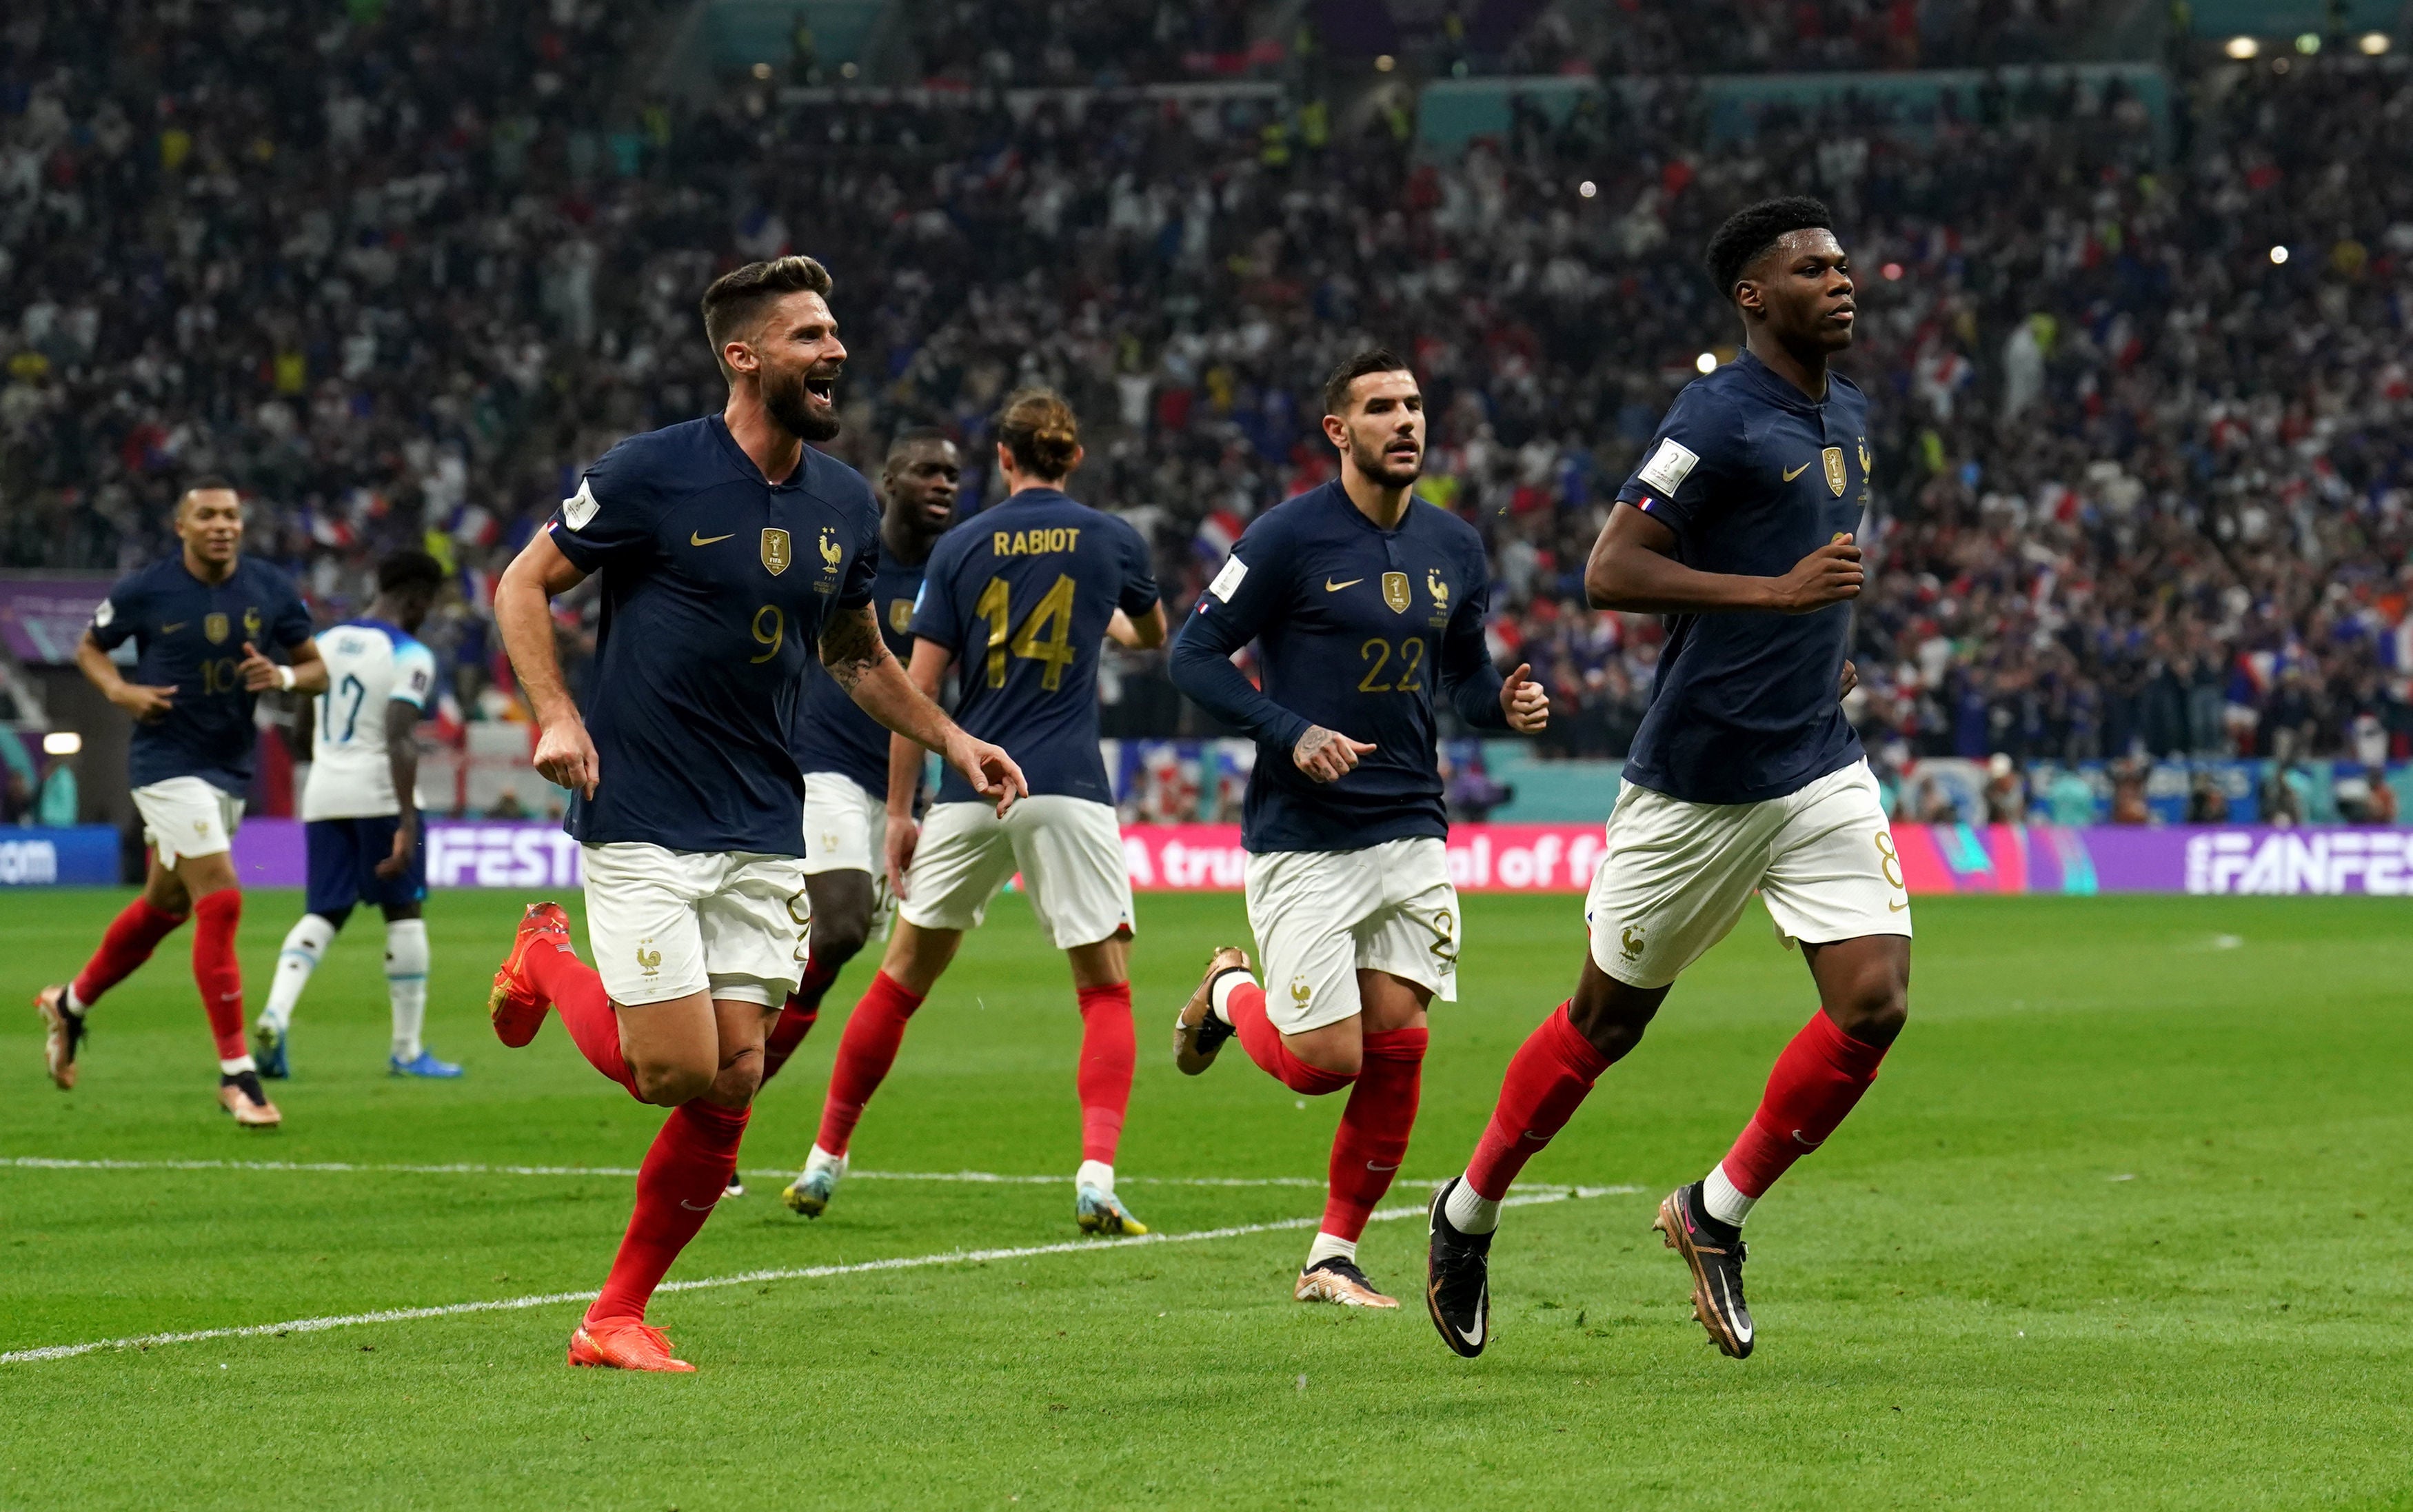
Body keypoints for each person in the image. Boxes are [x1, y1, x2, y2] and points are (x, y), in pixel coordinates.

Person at [480, 255, 1026, 1373]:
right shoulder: (650, 471)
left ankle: (614, 1316)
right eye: (809, 335)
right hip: (641, 806)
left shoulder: (839, 502)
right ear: (744, 355)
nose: (834, 352)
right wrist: (556, 713)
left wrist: (956, 738)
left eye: (835, 332)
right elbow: (520, 583)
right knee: (672, 1069)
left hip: (763, 818)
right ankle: (544, 959)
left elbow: (856, 655)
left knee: (735, 1074)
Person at [1423, 196, 1908, 1362]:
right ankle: (1468, 1207)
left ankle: (1715, 1209)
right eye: (1812, 267)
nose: (1842, 280)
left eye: (1845, 263)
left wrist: (1811, 639)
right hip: (1696, 783)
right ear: (1754, 295)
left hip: (1815, 766)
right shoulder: (1716, 414)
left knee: (1875, 1002)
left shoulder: (1850, 411)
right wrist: (1777, 594)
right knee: (1605, 1020)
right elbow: (1613, 567)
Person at [1167, 348, 1549, 1309]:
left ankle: (1330, 1255)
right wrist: (1288, 732)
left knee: (1399, 1040)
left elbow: (1463, 679)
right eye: (1382, 408)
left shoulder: (1455, 546)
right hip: (1305, 834)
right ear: (1339, 431)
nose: (1406, 422)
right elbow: (1194, 653)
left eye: (1416, 405)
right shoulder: (1289, 537)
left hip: (1412, 822)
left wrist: (1501, 703)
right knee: (1322, 1064)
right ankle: (1228, 995)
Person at [790, 390, 1165, 1233]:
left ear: (1004, 459)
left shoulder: (959, 548)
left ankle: (822, 1163)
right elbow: (1153, 636)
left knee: (899, 981)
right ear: (1072, 457)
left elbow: (916, 692)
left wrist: (898, 812)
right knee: (1103, 989)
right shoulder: (1112, 539)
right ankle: (1096, 1178)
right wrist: (1092, 625)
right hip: (1066, 782)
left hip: (970, 783)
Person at [35, 480, 325, 1127]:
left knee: (165, 908)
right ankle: (238, 1076)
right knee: (220, 896)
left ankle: (71, 1004)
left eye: (230, 515)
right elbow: (89, 648)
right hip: (165, 765)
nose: (221, 525)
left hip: (228, 767)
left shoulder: (271, 589)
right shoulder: (147, 589)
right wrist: (120, 692)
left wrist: (278, 675)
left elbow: (316, 670)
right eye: (207, 516)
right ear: (182, 526)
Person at [744, 427, 960, 1204]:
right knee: (834, 929)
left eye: (953, 475)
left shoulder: (957, 567)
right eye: (927, 472)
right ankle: (726, 1090)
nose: (943, 484)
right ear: (890, 480)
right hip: (822, 765)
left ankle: (726, 1095)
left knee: (828, 960)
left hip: (897, 788)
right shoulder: (847, 554)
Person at [252, 550, 458, 1080]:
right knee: (404, 912)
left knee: (324, 910)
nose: (426, 615)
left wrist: (331, 760)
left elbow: (300, 733)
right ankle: (408, 1050)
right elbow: (398, 737)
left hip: (322, 793)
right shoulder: (409, 653)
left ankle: (275, 1012)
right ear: (415, 597)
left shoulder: (320, 645)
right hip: (380, 794)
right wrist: (407, 824)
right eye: (427, 605)